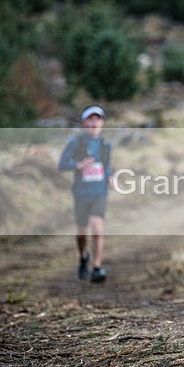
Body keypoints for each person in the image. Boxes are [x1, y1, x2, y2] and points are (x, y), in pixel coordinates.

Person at [58, 105, 112, 283]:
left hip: (99, 193)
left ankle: (97, 267)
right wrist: (78, 165)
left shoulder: (106, 145)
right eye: (91, 119)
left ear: (102, 123)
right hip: (81, 193)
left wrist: (110, 177)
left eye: (98, 119)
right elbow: (62, 164)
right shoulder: (76, 142)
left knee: (97, 226)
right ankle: (83, 257)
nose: (94, 123)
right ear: (84, 122)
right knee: (82, 232)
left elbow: (107, 166)